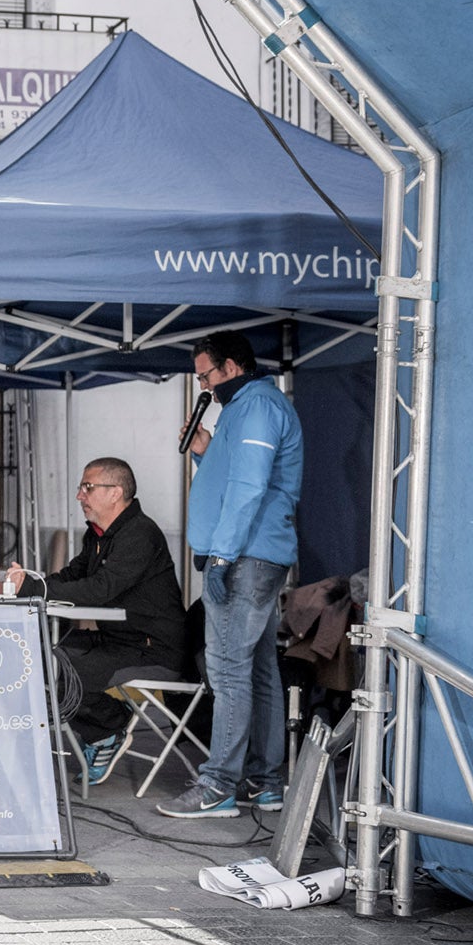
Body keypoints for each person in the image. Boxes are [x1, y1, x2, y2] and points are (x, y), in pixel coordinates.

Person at [159, 330, 305, 820]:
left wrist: (220, 555)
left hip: (246, 556)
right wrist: (204, 447)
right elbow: (230, 474)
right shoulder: (239, 411)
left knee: (227, 670)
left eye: (206, 375)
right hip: (249, 554)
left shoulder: (259, 406)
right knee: (259, 668)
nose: (203, 385)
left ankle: (217, 783)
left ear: (232, 368)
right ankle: (265, 782)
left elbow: (249, 485)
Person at [0, 458, 187, 785]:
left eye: (87, 487)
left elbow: (100, 589)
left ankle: (109, 727)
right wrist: (12, 589)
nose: (80, 496)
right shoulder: (98, 535)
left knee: (58, 668)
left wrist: (33, 589)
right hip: (119, 643)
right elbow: (72, 576)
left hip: (152, 651)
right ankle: (106, 727)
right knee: (33, 656)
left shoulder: (140, 534)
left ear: (115, 493)